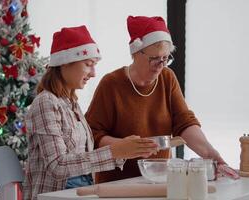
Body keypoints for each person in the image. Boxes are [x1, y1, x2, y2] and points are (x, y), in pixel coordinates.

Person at [23, 25, 158, 200]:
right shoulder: (46, 103)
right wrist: (115, 151)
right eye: (88, 65)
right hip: (56, 195)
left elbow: (82, 159)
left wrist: (126, 150)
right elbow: (58, 166)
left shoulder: (71, 103)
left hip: (78, 192)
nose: (93, 73)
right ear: (65, 63)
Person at [85, 16, 226, 183]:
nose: (161, 65)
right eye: (154, 59)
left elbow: (184, 123)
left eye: (165, 58)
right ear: (136, 53)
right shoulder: (112, 84)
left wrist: (212, 155)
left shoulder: (167, 77)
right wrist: (122, 146)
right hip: (116, 184)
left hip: (159, 179)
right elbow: (91, 135)